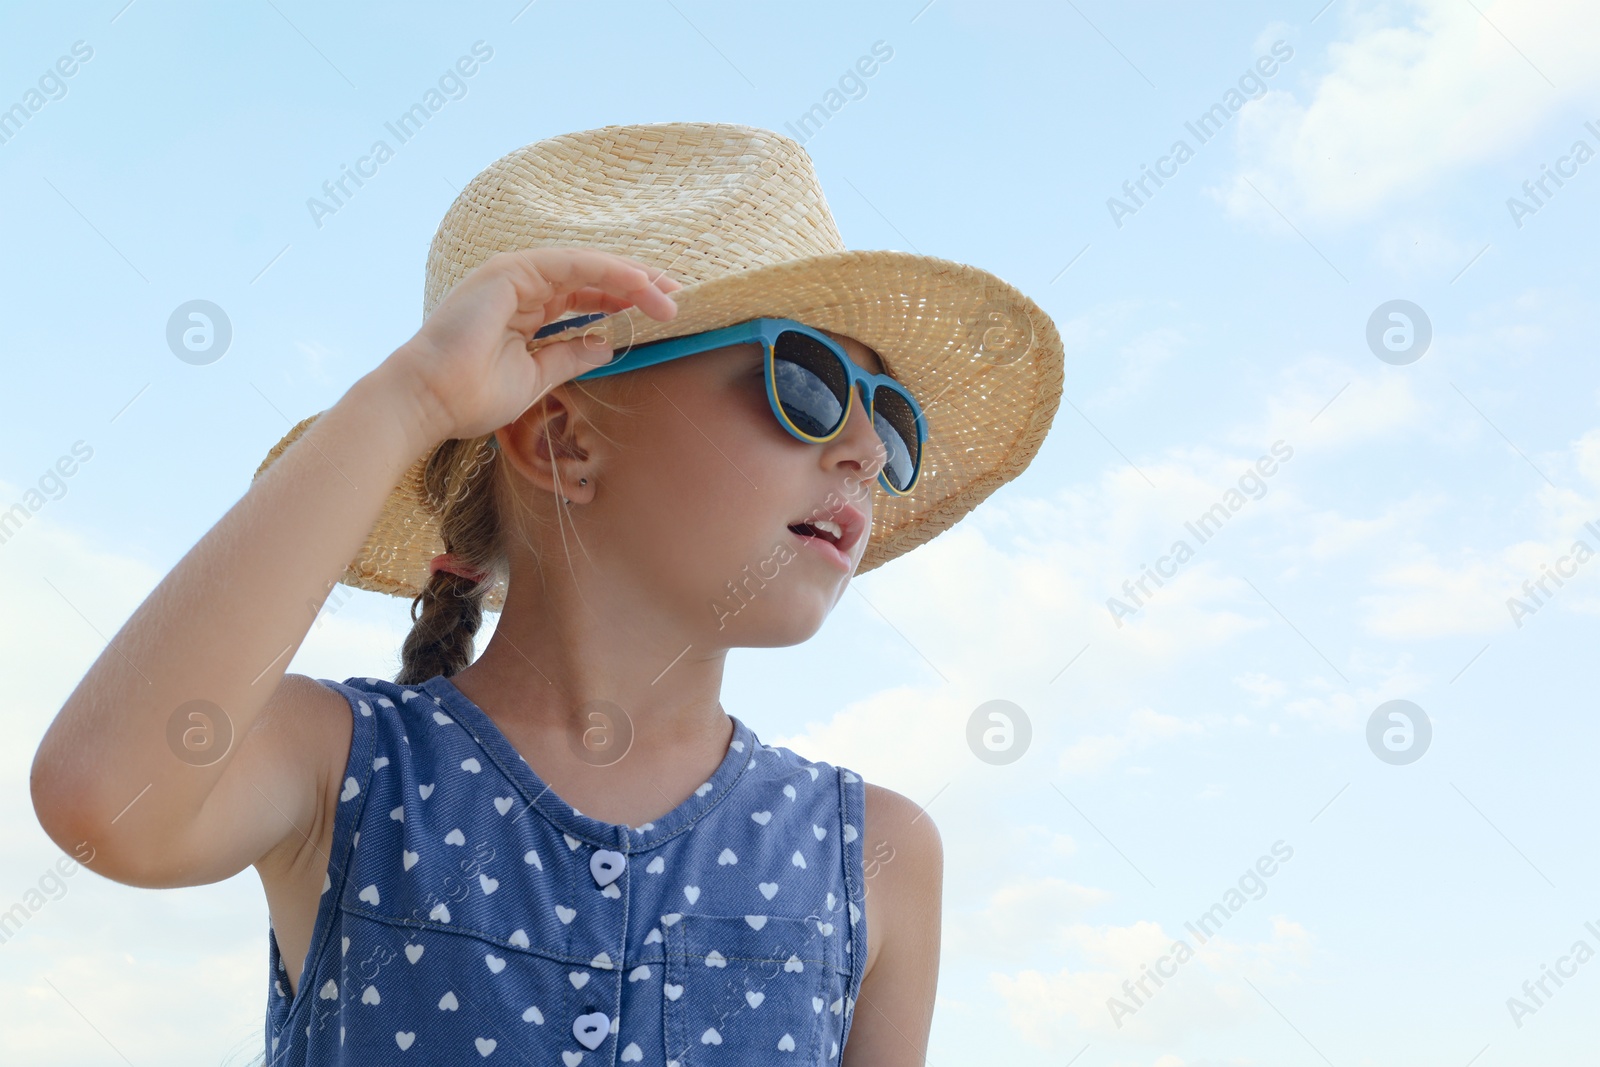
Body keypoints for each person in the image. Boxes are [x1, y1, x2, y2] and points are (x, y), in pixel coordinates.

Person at [30, 121, 1063, 1065]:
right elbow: (102, 798)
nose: (862, 450)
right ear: (562, 440)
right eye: (807, 385)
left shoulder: (876, 853)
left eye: (888, 420)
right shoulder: (344, 766)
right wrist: (415, 398)